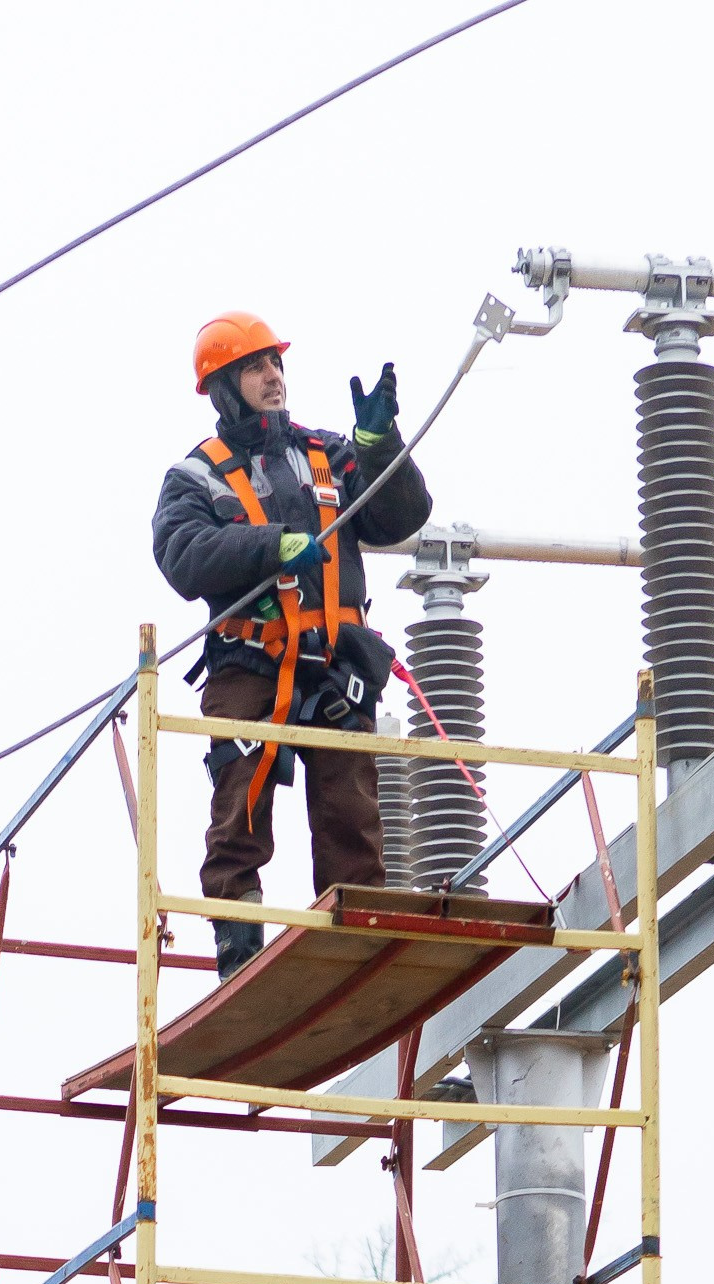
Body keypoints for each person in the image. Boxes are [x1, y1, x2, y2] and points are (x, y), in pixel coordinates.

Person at [152, 312, 432, 977]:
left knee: (352, 813)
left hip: (336, 666)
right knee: (239, 803)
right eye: (254, 367)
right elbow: (182, 554)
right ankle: (241, 944)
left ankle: (355, 945)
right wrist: (269, 545)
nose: (272, 377)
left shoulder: (328, 455)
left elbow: (401, 515)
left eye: (275, 363)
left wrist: (375, 442)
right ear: (223, 386)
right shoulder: (196, 477)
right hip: (250, 661)